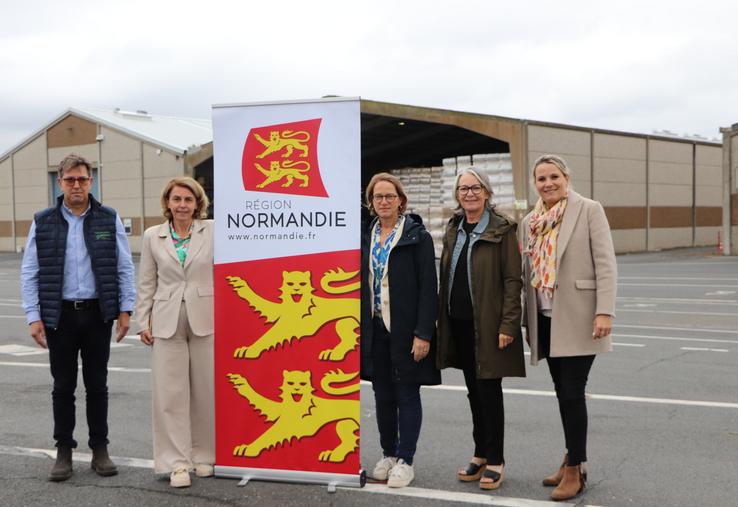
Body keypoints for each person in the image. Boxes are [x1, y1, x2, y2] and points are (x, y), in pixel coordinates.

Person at [20, 153, 135, 481]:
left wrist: (125, 310)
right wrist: (33, 316)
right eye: (70, 180)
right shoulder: (43, 221)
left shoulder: (107, 218)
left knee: (98, 385)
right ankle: (64, 451)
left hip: (99, 315)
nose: (76, 185)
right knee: (63, 386)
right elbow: (30, 271)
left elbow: (123, 266)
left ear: (91, 181)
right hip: (61, 317)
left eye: (82, 179)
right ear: (60, 183)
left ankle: (100, 449)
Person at [520, 154, 617, 501]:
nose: (548, 183)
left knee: (573, 393)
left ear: (566, 177)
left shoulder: (589, 209)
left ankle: (576, 469)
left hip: (579, 317)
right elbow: (526, 270)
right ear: (535, 183)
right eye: (541, 178)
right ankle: (571, 457)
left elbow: (605, 263)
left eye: (554, 177)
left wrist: (604, 311)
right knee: (563, 394)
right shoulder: (530, 220)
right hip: (545, 319)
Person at [436, 168, 525, 491]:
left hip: (488, 326)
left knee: (489, 392)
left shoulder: (502, 230)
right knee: (474, 392)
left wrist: (508, 324)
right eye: (463, 189)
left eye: (475, 188)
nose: (469, 194)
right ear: (458, 195)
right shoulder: (454, 228)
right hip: (458, 323)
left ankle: (497, 459)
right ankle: (480, 452)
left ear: (487, 193)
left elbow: (513, 281)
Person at [360, 172, 440, 488]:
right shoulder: (365, 236)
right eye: (378, 197)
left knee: (406, 394)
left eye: (389, 196)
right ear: (371, 203)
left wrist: (423, 334)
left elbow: (427, 289)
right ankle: (389, 454)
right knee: (382, 396)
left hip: (406, 331)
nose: (383, 202)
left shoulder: (416, 236)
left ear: (400, 201)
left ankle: (406, 460)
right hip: (374, 328)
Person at [134, 177, 215, 488]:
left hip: (206, 318)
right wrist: (144, 321)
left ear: (197, 204)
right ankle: (176, 463)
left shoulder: (213, 231)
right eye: (177, 199)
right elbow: (146, 282)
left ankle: (204, 455)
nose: (182, 205)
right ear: (167, 203)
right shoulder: (153, 236)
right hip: (166, 320)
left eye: (188, 200)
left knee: (205, 391)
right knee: (170, 394)